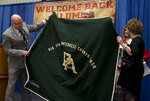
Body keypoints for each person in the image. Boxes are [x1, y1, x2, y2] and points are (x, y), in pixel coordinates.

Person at [2, 14, 50, 101]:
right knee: (11, 88)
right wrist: (21, 52)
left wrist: (45, 21)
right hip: (14, 65)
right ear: (12, 23)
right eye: (18, 24)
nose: (21, 25)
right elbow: (7, 50)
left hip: (25, 63)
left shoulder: (23, 25)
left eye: (21, 22)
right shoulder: (7, 34)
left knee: (25, 86)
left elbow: (34, 27)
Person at [115, 18, 145, 101]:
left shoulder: (137, 40)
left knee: (128, 96)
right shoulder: (137, 40)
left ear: (131, 28)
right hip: (129, 75)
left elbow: (132, 52)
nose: (126, 29)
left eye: (127, 27)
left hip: (131, 77)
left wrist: (122, 43)